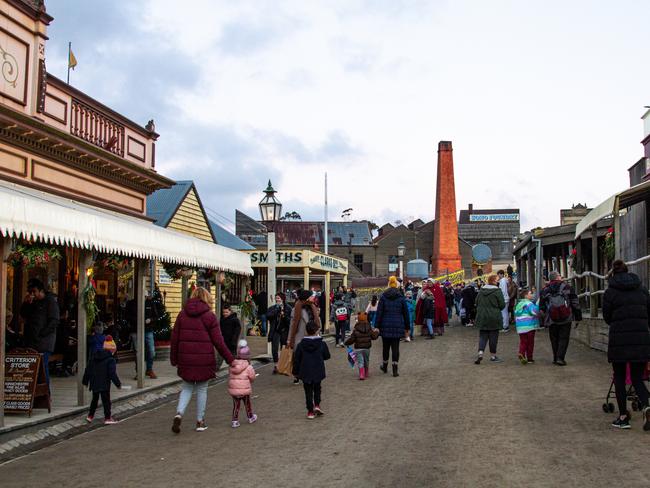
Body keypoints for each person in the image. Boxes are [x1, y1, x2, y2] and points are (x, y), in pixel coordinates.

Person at [170, 287, 235, 434]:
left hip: (185, 358)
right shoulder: (209, 316)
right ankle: (200, 421)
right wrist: (231, 360)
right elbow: (219, 342)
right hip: (203, 359)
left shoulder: (182, 315)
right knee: (201, 389)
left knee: (186, 388)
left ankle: (179, 413)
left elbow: (174, 339)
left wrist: (174, 359)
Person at [602, 260, 650, 430]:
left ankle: (623, 417)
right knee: (637, 378)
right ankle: (647, 404)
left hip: (619, 341)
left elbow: (607, 317)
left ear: (613, 274)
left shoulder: (610, 292)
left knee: (620, 378)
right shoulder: (642, 290)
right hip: (641, 339)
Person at [20, 278, 59, 388]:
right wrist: (26, 303)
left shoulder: (50, 301)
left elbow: (54, 321)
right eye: (30, 292)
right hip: (31, 340)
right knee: (31, 368)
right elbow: (23, 315)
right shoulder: (32, 302)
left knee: (43, 366)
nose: (32, 294)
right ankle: (34, 393)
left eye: (34, 291)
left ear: (41, 291)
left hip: (44, 341)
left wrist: (42, 334)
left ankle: (46, 393)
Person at [539, 271, 579, 366]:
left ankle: (555, 357)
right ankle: (560, 358)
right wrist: (577, 317)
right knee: (564, 338)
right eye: (560, 275)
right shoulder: (567, 287)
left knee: (554, 338)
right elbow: (575, 303)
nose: (561, 277)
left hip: (551, 318)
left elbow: (541, 306)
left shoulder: (545, 290)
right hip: (566, 317)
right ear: (557, 278)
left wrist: (543, 319)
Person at [292, 320, 331, 419]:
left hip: (305, 370)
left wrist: (295, 372)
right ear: (316, 331)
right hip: (318, 369)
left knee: (308, 391)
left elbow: (296, 359)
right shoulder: (321, 343)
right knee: (317, 388)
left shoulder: (301, 345)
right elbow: (327, 356)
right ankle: (317, 405)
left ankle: (310, 411)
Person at [375, 276, 410, 377]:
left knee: (385, 347)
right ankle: (395, 369)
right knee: (395, 347)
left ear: (389, 284)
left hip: (385, 325)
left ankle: (385, 366)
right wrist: (407, 327)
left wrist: (376, 325)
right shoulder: (401, 297)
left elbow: (379, 313)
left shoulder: (383, 296)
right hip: (397, 324)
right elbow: (405, 313)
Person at [82, 335, 121, 425]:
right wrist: (118, 384)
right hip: (104, 384)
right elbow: (112, 374)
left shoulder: (94, 357)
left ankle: (90, 416)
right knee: (106, 401)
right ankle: (107, 418)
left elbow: (88, 369)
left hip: (94, 382)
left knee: (94, 400)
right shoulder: (110, 360)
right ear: (112, 350)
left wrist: (85, 381)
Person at [288, 289, 322, 385]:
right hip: (299, 337)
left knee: (309, 358)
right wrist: (290, 339)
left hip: (312, 337)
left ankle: (306, 375)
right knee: (298, 357)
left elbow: (317, 322)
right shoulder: (296, 309)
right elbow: (292, 324)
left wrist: (318, 332)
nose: (313, 298)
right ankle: (296, 375)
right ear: (307, 298)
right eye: (311, 296)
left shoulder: (313, 308)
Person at [126, 291, 162, 379]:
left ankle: (149, 369)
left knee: (151, 351)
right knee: (138, 352)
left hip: (148, 330)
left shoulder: (150, 303)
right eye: (143, 296)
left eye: (145, 296)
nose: (144, 298)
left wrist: (150, 320)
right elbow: (127, 316)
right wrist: (138, 320)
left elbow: (156, 316)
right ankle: (139, 372)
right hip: (136, 330)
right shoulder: (131, 304)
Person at [474, 274, 506, 364]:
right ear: (494, 281)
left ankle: (480, 352)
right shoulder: (497, 291)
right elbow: (502, 305)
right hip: (494, 316)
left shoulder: (481, 290)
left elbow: (476, 302)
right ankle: (493, 356)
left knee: (483, 336)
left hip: (482, 316)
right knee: (493, 337)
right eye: (497, 280)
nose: (498, 282)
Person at [228, 340, 257, 428]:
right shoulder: (249, 366)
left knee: (236, 405)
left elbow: (231, 375)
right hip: (245, 389)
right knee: (247, 403)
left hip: (234, 389)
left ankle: (234, 420)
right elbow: (252, 377)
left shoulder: (233, 365)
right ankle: (250, 417)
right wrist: (250, 381)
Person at [344, 312, 378, 380]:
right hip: (367, 348)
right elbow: (374, 337)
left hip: (358, 348)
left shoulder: (356, 328)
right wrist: (377, 332)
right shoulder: (369, 327)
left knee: (360, 361)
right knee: (366, 360)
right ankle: (366, 372)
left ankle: (361, 374)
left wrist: (346, 343)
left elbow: (352, 339)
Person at [266, 293, 292, 373]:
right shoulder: (273, 308)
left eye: (279, 298)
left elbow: (290, 322)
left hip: (284, 330)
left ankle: (282, 365)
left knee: (283, 349)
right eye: (276, 298)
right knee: (274, 348)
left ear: (283, 299)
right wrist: (276, 310)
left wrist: (284, 316)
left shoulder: (288, 308)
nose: (277, 300)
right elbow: (268, 316)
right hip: (275, 331)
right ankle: (276, 365)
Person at [514, 288, 541, 364]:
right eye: (530, 293)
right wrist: (537, 304)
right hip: (529, 326)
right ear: (526, 296)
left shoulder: (519, 304)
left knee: (523, 341)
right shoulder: (529, 303)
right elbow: (534, 312)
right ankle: (530, 358)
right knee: (530, 342)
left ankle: (521, 353)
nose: (531, 295)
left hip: (520, 327)